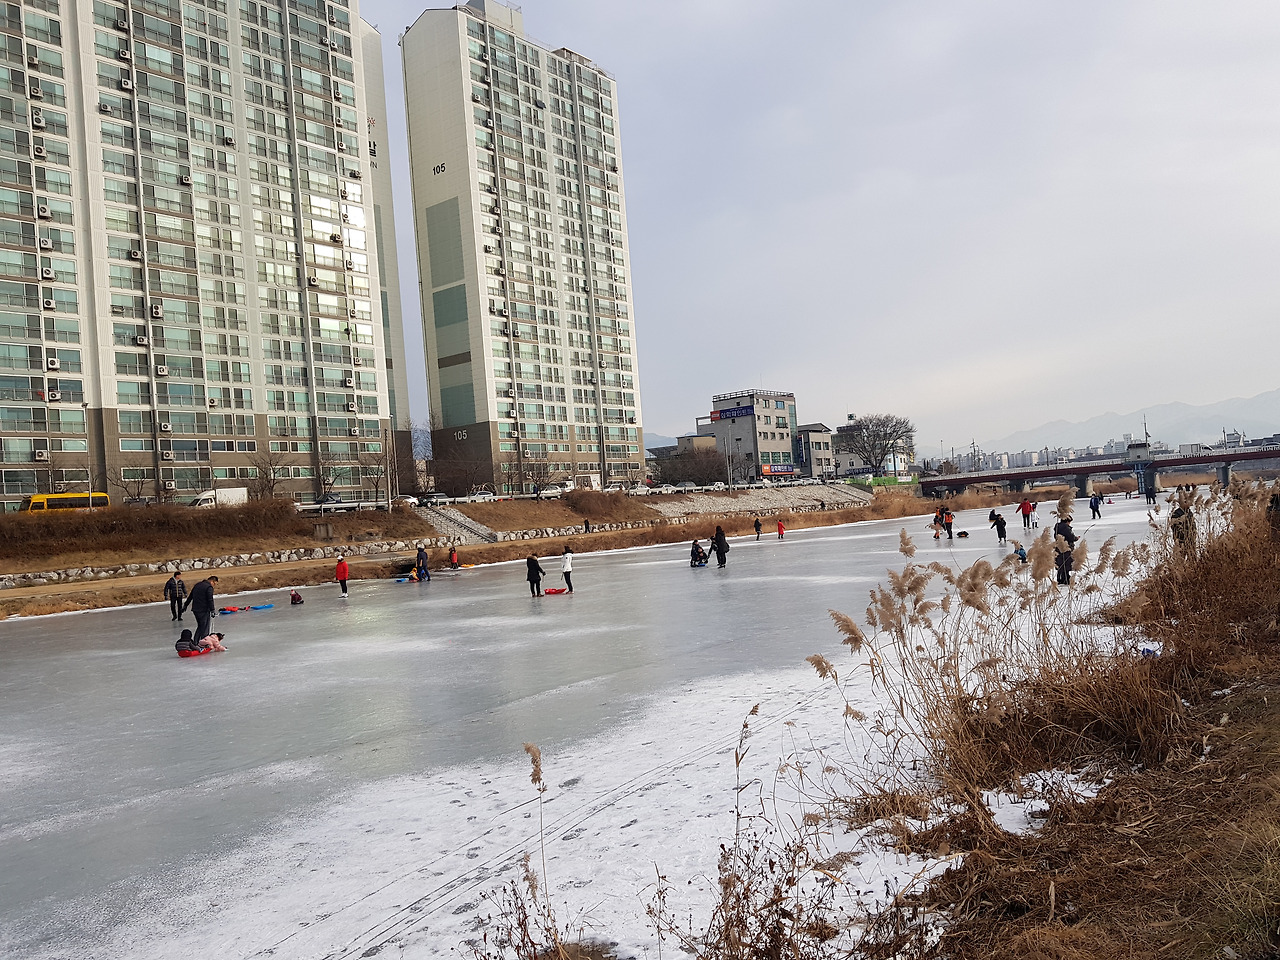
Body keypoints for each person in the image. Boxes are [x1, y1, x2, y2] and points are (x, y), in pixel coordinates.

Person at [182, 575, 219, 642]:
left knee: (200, 626)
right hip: (204, 610)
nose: (214, 585)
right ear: (212, 581)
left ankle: (196, 642)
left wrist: (185, 605)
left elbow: (191, 596)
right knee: (205, 628)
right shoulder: (209, 587)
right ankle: (204, 642)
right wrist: (212, 610)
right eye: (214, 584)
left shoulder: (197, 585)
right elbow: (210, 599)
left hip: (195, 610)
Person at [1053, 514, 1078, 585]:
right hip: (1066, 547)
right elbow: (1070, 537)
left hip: (1059, 547)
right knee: (1066, 563)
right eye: (1069, 522)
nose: (1069, 524)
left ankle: (1060, 578)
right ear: (1067, 521)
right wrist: (1076, 538)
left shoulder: (1057, 527)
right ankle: (1066, 579)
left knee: (1060, 563)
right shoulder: (1066, 528)